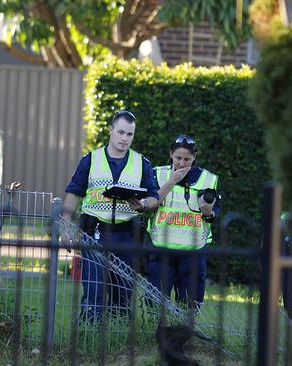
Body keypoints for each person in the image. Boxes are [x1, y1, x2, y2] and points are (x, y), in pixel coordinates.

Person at [63, 110, 159, 320]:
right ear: (111, 131)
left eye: (130, 134)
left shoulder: (141, 163)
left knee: (123, 291)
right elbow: (73, 192)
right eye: (121, 132)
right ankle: (89, 334)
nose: (125, 138)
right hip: (94, 232)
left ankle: (118, 339)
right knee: (94, 290)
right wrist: (66, 224)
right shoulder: (90, 160)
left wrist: (143, 204)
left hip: (127, 235)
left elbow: (155, 197)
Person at [146, 135, 220, 308]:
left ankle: (185, 334)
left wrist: (207, 210)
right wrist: (172, 181)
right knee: (155, 302)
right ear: (171, 154)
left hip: (193, 250)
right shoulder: (158, 174)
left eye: (187, 159)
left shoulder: (208, 179)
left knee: (189, 304)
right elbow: (150, 202)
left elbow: (213, 215)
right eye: (178, 158)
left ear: (194, 157)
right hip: (161, 248)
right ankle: (154, 333)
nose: (181, 163)